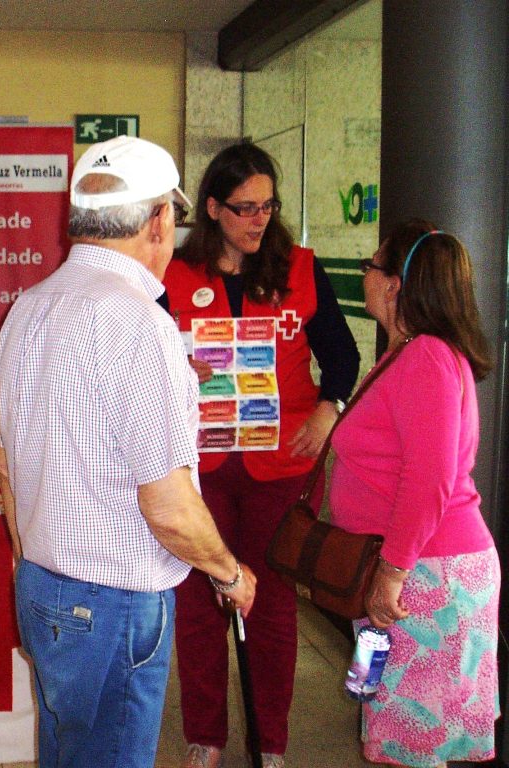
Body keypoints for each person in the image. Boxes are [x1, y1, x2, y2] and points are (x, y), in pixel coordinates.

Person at [0, 135, 257, 768]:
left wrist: (30, 560)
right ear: (159, 219)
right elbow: (168, 506)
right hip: (113, 601)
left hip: (42, 582)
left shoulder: (26, 310)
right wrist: (229, 572)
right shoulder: (141, 324)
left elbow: (7, 467)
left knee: (67, 749)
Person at [161, 142, 359, 768]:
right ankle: (206, 739)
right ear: (212, 208)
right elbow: (140, 357)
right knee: (198, 608)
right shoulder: (172, 272)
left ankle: (270, 743)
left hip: (282, 469)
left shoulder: (299, 266)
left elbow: (343, 357)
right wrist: (175, 365)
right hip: (203, 469)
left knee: (271, 609)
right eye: (244, 208)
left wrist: (330, 408)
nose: (258, 220)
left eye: (267, 207)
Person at [329, 220, 499, 767]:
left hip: (425, 578)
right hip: (414, 572)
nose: (364, 277)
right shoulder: (411, 353)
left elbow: (430, 481)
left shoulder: (425, 357)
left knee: (412, 746)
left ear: (396, 284)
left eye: (371, 267)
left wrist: (392, 573)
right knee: (396, 733)